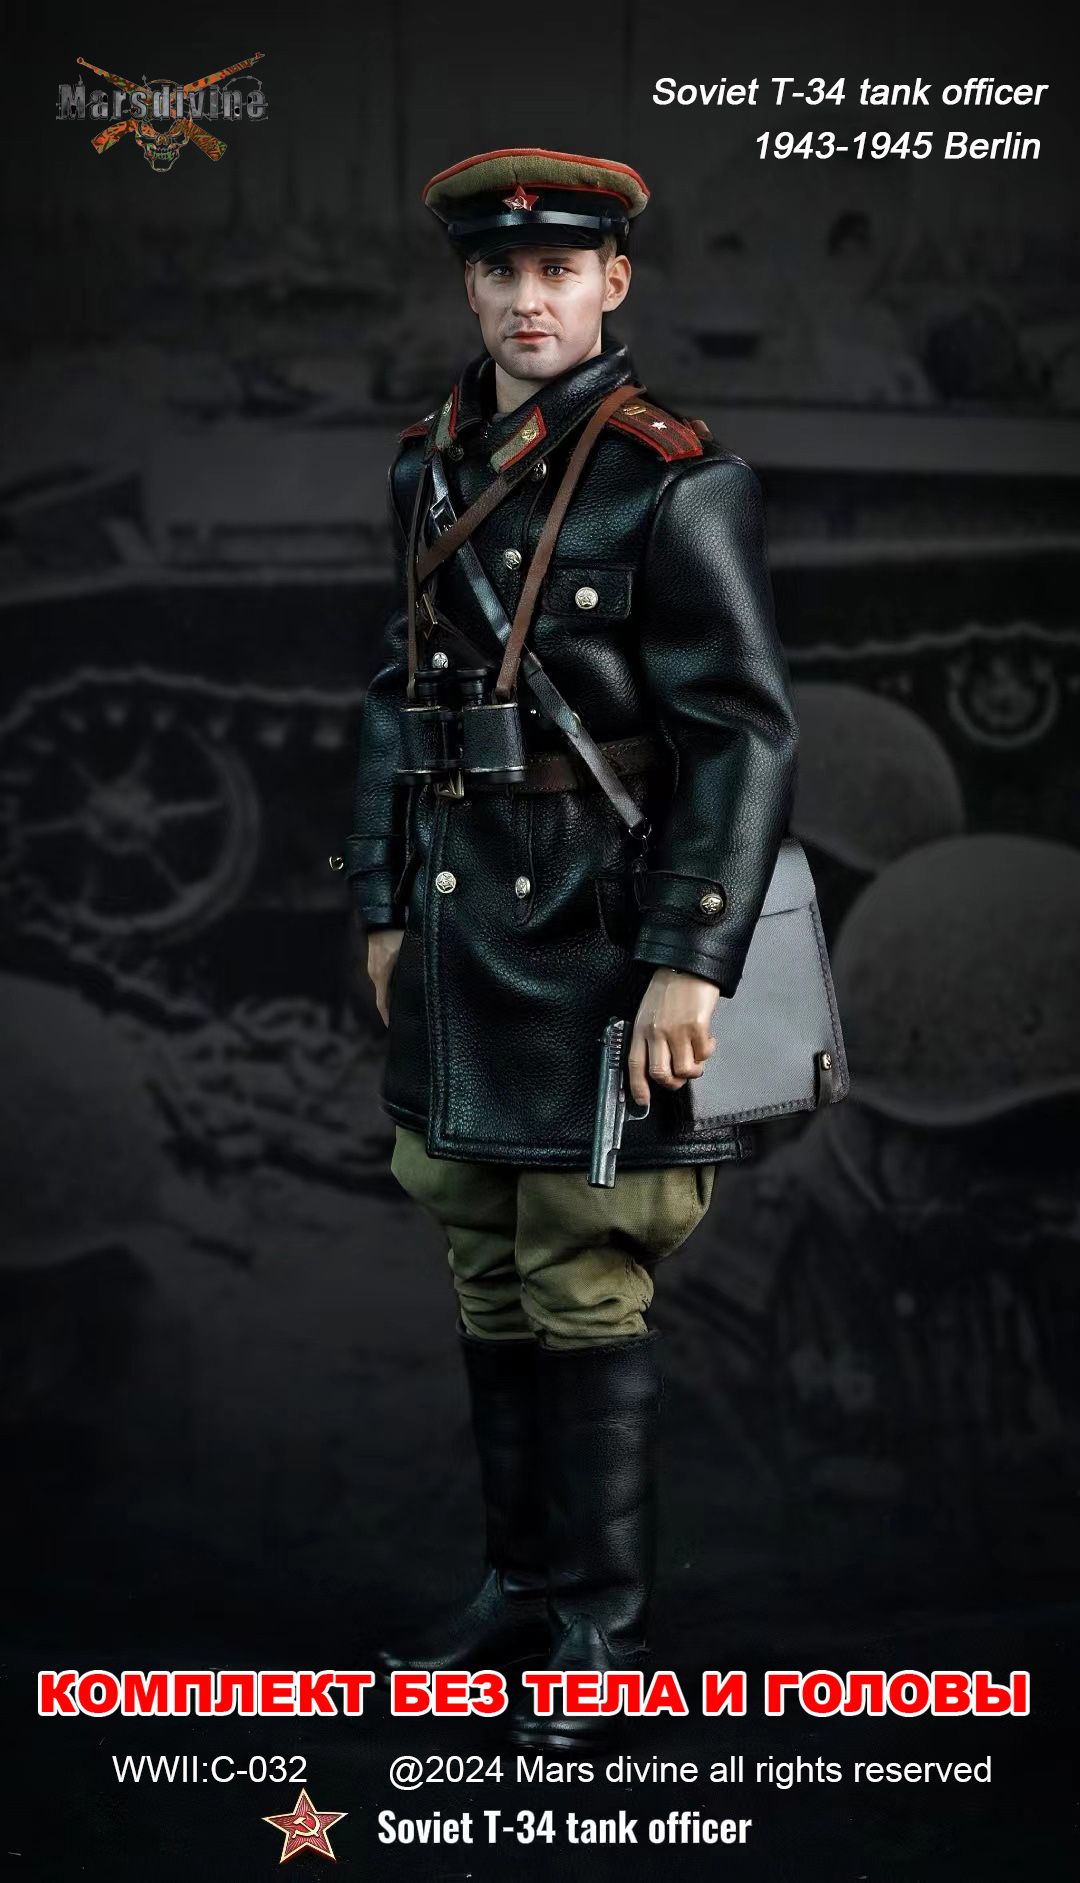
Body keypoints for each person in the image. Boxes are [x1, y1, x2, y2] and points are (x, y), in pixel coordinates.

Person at [340, 146, 799, 1747]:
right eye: (501, 272)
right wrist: (382, 901)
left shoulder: (671, 478)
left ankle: (599, 1630)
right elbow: (397, 695)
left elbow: (741, 736)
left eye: (560, 270)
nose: (529, 299)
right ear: (470, 286)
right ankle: (518, 1590)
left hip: (601, 934)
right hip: (462, 923)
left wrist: (693, 959)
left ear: (614, 281)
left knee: (584, 1268)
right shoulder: (428, 465)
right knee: (482, 1253)